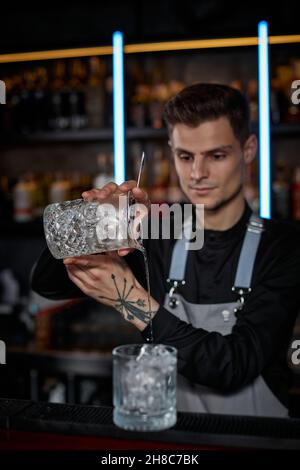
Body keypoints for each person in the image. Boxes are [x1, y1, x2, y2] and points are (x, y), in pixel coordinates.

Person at [31, 83, 300, 417]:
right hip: (171, 440)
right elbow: (48, 283)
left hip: (255, 442)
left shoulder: (283, 246)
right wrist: (97, 221)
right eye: (185, 156)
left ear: (247, 150)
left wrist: (127, 300)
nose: (198, 174)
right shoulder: (161, 226)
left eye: (216, 155)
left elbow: (233, 366)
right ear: (172, 150)